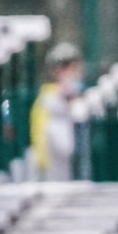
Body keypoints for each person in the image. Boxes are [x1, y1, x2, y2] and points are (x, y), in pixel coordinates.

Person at [30, 42, 84, 180]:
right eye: (63, 66)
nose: (68, 71)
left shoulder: (82, 93)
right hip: (55, 165)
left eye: (72, 66)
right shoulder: (47, 98)